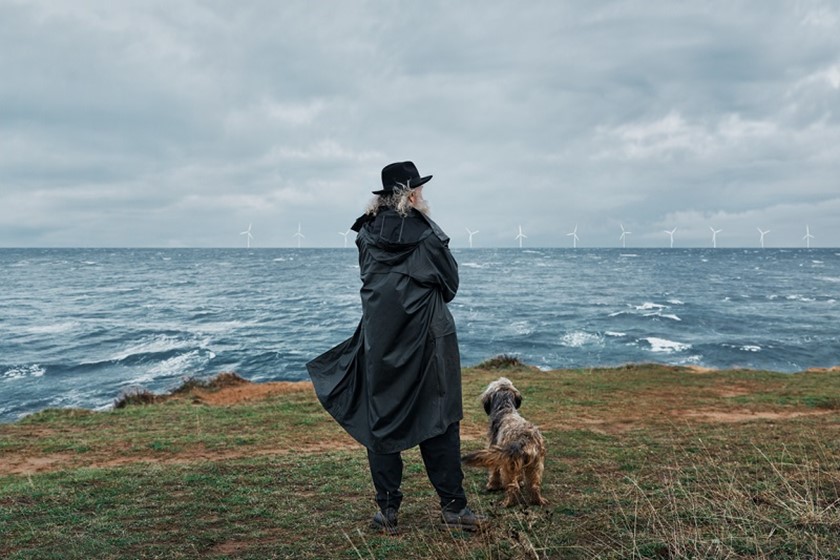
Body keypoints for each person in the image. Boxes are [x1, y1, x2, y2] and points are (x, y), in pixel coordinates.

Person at [306, 161, 485, 534]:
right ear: (411, 194)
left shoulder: (366, 234)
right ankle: (454, 509)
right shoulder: (427, 234)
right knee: (439, 419)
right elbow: (450, 285)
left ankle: (387, 512)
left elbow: (371, 280)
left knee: (381, 420)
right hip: (428, 341)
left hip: (380, 339)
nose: (423, 196)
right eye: (419, 190)